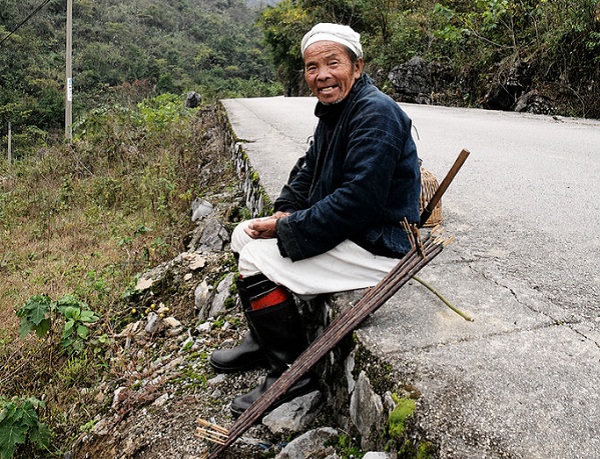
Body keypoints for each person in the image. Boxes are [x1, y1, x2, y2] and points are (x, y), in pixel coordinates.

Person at [210, 23, 421, 417]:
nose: (321, 75)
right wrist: (284, 210)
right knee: (243, 235)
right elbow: (308, 170)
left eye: (332, 63)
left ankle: (291, 372)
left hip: (377, 243)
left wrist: (289, 229)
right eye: (312, 67)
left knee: (254, 258)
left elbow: (359, 201)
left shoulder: (376, 115)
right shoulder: (334, 110)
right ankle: (263, 339)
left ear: (357, 67)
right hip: (351, 231)